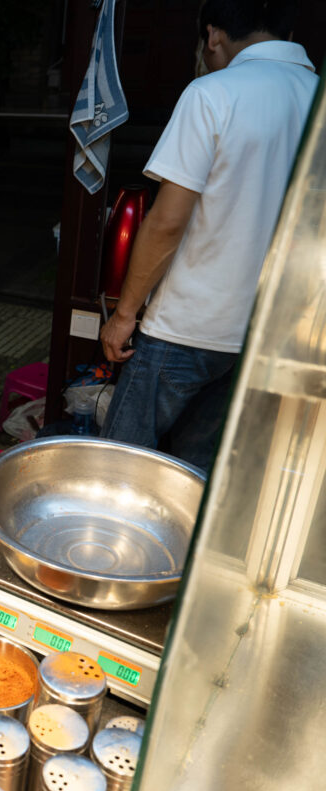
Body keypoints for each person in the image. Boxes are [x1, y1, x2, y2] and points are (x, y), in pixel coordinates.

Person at [98, 0, 316, 471]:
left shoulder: (212, 93)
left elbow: (167, 221)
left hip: (185, 328)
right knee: (192, 475)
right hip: (267, 334)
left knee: (122, 467)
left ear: (213, 35)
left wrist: (124, 314)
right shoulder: (317, 98)